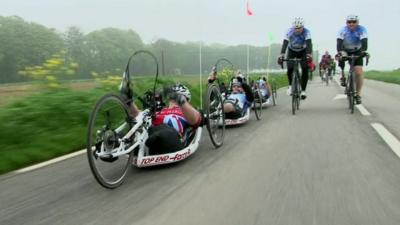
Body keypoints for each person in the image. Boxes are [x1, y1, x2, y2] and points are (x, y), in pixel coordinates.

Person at [128, 84, 202, 155]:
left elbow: (196, 120)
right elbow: (137, 114)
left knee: (163, 131)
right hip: (148, 133)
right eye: (173, 96)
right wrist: (129, 101)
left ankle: (147, 141)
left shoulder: (186, 111)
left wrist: (181, 101)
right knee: (134, 127)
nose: (173, 98)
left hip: (171, 135)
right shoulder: (160, 110)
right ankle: (129, 143)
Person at [277, 17, 313, 99]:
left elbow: (309, 44)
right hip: (292, 51)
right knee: (290, 68)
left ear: (302, 27)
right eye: (295, 28)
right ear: (293, 27)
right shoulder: (289, 31)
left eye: (299, 28)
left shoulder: (307, 32)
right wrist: (282, 54)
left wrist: (309, 55)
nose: (297, 30)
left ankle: (303, 91)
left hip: (303, 51)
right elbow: (285, 44)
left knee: (304, 68)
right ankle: (290, 86)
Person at [336, 14, 368, 104]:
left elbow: (364, 42)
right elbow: (339, 43)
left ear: (357, 22)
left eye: (354, 22)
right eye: (349, 22)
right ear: (346, 23)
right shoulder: (342, 30)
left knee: (358, 72)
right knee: (341, 58)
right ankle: (343, 76)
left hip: (357, 50)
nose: (351, 24)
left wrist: (363, 51)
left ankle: (358, 94)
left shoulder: (362, 30)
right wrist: (340, 52)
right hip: (345, 49)